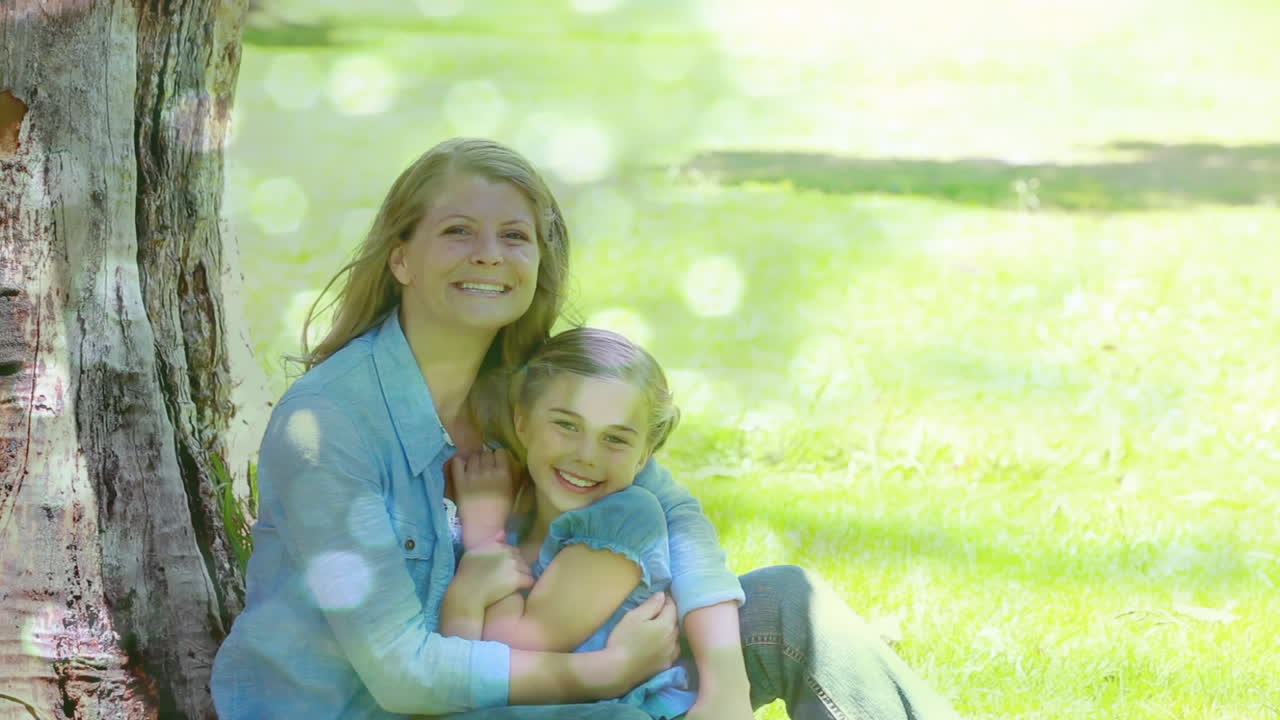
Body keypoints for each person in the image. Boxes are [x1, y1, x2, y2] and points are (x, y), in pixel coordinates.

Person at [210, 137, 962, 719]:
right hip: (375, 711)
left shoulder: (532, 386)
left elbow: (673, 510)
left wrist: (725, 682)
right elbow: (402, 674)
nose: (488, 256)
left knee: (791, 608)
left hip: (520, 690)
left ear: (540, 260)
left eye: (515, 236)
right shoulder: (328, 423)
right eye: (458, 232)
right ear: (401, 256)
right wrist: (602, 672)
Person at [442, 326, 707, 720]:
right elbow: (458, 683)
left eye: (615, 439)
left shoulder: (624, 518)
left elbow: (500, 659)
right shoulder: (512, 500)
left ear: (644, 453)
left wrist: (482, 540)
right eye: (567, 425)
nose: (586, 455)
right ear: (522, 423)